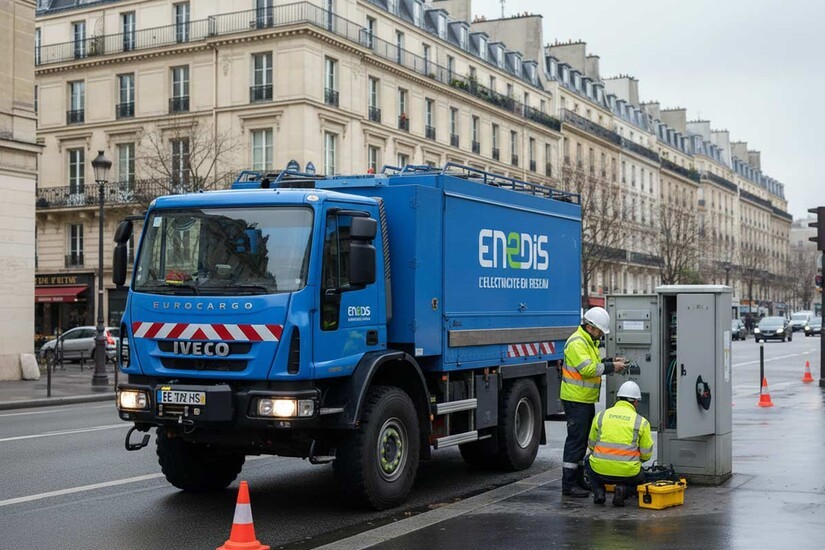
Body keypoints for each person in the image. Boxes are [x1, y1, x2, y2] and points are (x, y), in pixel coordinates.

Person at [561, 307, 626, 498]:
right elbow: (589, 369)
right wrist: (612, 366)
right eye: (599, 331)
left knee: (582, 442)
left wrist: (610, 361)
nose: (600, 335)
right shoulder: (577, 342)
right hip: (575, 399)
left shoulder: (588, 341)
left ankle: (579, 480)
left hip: (583, 399)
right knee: (575, 442)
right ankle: (569, 485)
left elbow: (595, 362)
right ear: (590, 327)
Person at [585, 381, 653, 507]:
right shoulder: (641, 422)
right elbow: (646, 454)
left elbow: (591, 445)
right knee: (641, 476)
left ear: (618, 398)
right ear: (636, 402)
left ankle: (599, 491)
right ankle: (623, 490)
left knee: (587, 461)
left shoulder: (601, 416)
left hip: (600, 471)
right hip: (628, 474)